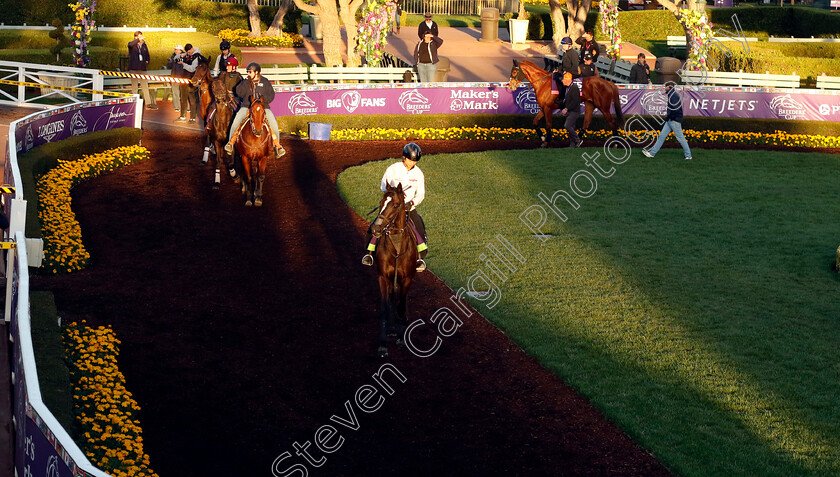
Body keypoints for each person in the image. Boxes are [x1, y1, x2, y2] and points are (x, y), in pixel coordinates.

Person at [362, 143, 428, 272]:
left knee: (419, 226)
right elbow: (383, 186)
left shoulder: (419, 174)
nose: (412, 163)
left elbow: (421, 194)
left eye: (415, 161)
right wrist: (393, 194)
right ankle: (369, 253)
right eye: (410, 160)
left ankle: (420, 257)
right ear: (404, 157)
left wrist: (412, 203)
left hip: (408, 207)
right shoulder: (393, 169)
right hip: (392, 205)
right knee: (377, 224)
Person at [224, 62, 286, 159]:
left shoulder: (265, 82)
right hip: (247, 106)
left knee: (273, 123)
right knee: (236, 120)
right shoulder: (245, 82)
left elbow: (271, 95)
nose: (248, 74)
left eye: (249, 72)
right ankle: (230, 144)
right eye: (248, 72)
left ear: (256, 72)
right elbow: (238, 92)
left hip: (263, 108)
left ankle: (277, 147)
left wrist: (263, 101)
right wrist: (245, 82)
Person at [643, 82, 692, 160]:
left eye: (665, 87)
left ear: (668, 87)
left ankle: (688, 155)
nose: (664, 88)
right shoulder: (672, 94)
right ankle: (652, 153)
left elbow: (675, 109)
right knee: (662, 136)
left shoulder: (673, 95)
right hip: (671, 119)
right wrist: (669, 117)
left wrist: (670, 117)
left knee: (680, 138)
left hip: (674, 120)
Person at [174, 43, 204, 124]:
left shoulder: (197, 57)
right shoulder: (186, 54)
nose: (189, 54)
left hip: (191, 79)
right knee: (183, 98)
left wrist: (183, 64)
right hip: (184, 79)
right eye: (188, 53)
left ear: (192, 49)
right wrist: (182, 55)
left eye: (190, 52)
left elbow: (192, 69)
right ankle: (183, 116)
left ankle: (193, 118)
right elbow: (175, 58)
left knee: (192, 99)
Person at [127, 31, 157, 110]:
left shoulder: (144, 45)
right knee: (134, 87)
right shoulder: (132, 44)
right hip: (133, 68)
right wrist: (137, 40)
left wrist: (147, 60)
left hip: (142, 68)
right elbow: (130, 45)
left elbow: (147, 54)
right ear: (135, 37)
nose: (141, 38)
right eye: (139, 37)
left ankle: (148, 104)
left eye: (141, 36)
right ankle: (134, 104)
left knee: (145, 86)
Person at [553, 36, 579, 106]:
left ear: (569, 45)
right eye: (563, 45)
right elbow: (563, 65)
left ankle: (563, 99)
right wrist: (558, 69)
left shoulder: (573, 53)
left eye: (565, 45)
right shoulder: (565, 53)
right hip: (566, 72)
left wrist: (567, 71)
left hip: (573, 73)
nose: (563, 46)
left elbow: (575, 66)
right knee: (555, 76)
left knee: (564, 80)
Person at [560, 73, 582, 148]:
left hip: (574, 111)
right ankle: (573, 144)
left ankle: (578, 140)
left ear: (567, 80)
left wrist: (566, 109)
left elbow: (575, 101)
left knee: (567, 125)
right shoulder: (569, 88)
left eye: (563, 79)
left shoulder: (574, 87)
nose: (562, 81)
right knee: (571, 127)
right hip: (571, 111)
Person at [166, 44, 186, 113]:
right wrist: (169, 61)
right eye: (175, 50)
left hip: (183, 77)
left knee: (183, 93)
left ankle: (186, 107)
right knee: (175, 93)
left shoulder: (185, 57)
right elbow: (169, 66)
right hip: (174, 76)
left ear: (181, 50)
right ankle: (176, 106)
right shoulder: (173, 57)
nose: (176, 51)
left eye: (177, 50)